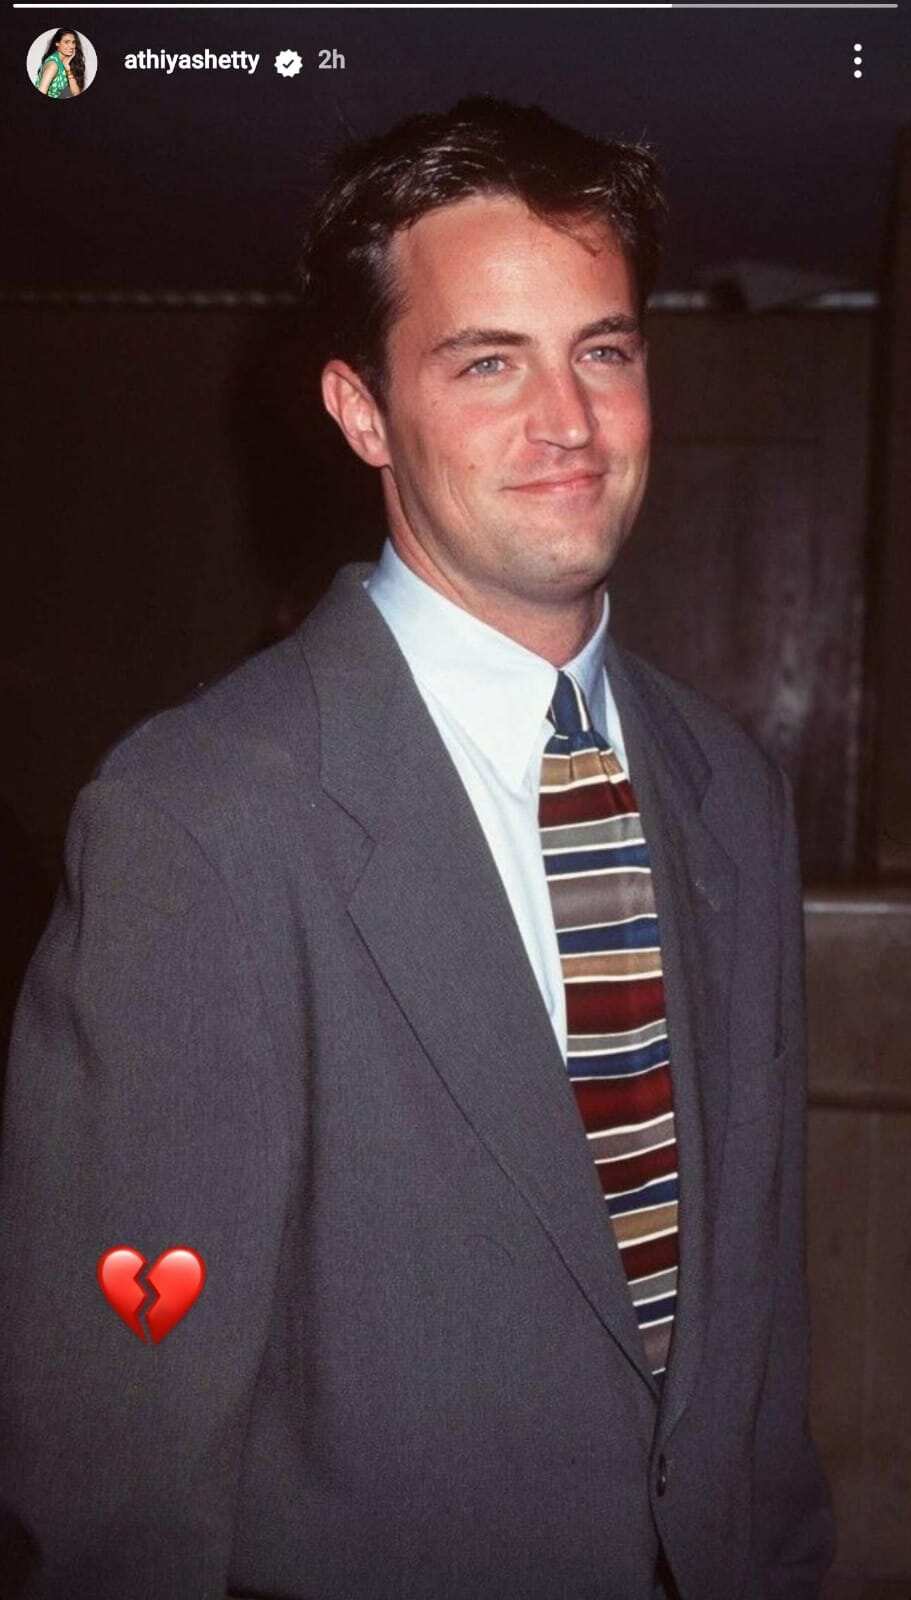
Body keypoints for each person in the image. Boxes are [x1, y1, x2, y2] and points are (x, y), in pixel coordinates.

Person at [0, 98, 835, 1598]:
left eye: (601, 349)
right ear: (362, 412)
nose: (566, 420)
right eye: (486, 362)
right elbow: (121, 1441)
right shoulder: (198, 817)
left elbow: (754, 1326)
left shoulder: (732, 790)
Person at [34, 29, 84, 98]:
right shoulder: (53, 66)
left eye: (73, 42)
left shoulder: (65, 62)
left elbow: (76, 93)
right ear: (57, 43)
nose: (71, 46)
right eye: (67, 42)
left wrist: (67, 69)